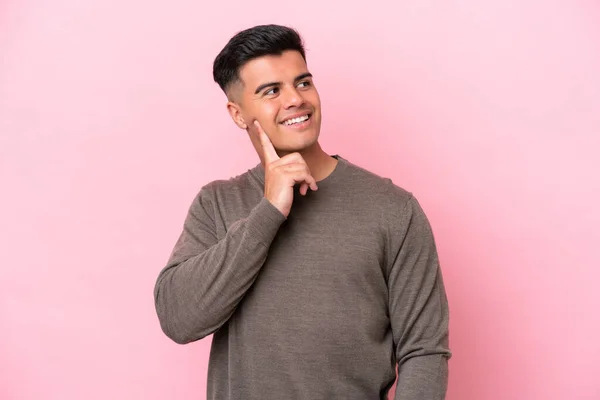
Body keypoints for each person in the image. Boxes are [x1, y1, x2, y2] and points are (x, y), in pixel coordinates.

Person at [154, 24, 451, 400]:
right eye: (271, 91)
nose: (295, 99)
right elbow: (179, 320)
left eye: (303, 83)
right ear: (238, 113)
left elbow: (424, 350)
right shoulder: (216, 204)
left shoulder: (393, 209)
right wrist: (269, 211)